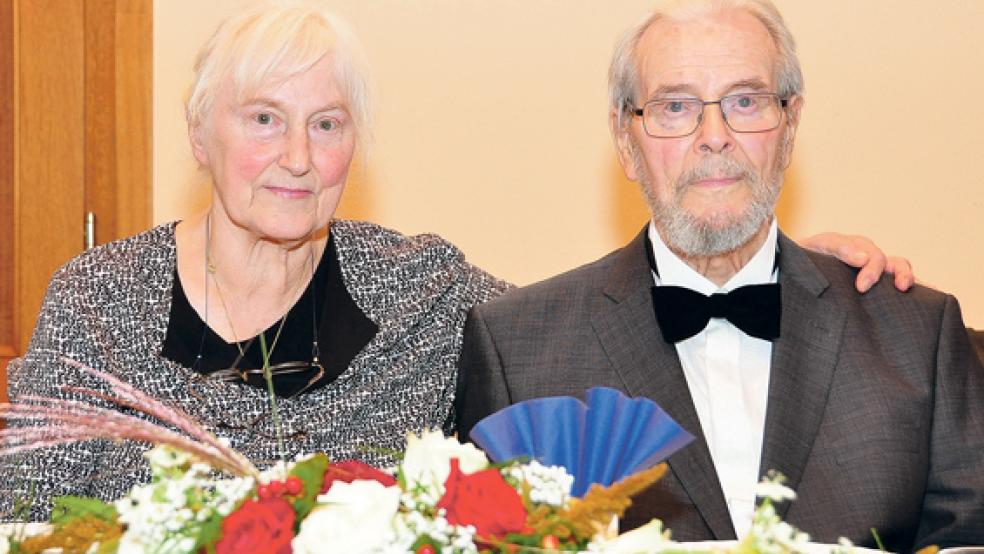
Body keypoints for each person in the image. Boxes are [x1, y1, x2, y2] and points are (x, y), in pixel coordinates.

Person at [1, 2, 908, 520]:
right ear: (200, 134)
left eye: (327, 124)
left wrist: (770, 268)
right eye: (263, 118)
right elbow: (21, 514)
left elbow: (597, 328)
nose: (298, 157)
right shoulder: (99, 300)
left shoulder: (423, 293)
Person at [455, 0, 984, 550]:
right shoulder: (516, 349)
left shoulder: (915, 334)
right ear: (624, 140)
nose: (714, 135)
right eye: (676, 106)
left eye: (745, 101)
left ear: (791, 124)